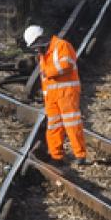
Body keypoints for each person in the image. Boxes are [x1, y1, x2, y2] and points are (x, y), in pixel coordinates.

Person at [23, 24, 88, 164]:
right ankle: (56, 155)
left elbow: (67, 64)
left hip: (67, 93)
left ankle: (80, 154)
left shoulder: (61, 45)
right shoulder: (43, 55)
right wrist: (46, 95)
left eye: (35, 45)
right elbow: (44, 78)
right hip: (52, 96)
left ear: (40, 39)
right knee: (53, 126)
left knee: (72, 124)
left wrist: (49, 72)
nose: (35, 49)